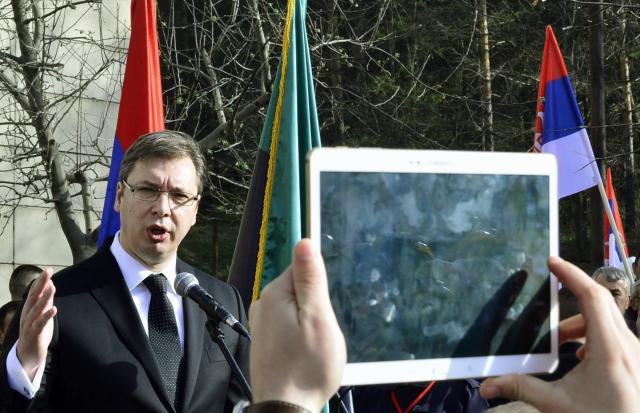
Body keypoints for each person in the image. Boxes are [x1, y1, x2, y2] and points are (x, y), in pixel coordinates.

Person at [0, 131, 249, 413]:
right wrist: (25, 368)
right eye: (147, 190)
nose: (162, 208)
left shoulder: (224, 303)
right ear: (119, 196)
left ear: (195, 210)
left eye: (179, 195)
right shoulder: (57, 301)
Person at [246, 244, 640, 413]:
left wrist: (282, 401)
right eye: (409, 287)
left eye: (430, 291)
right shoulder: (350, 378)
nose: (421, 302)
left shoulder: (479, 379)